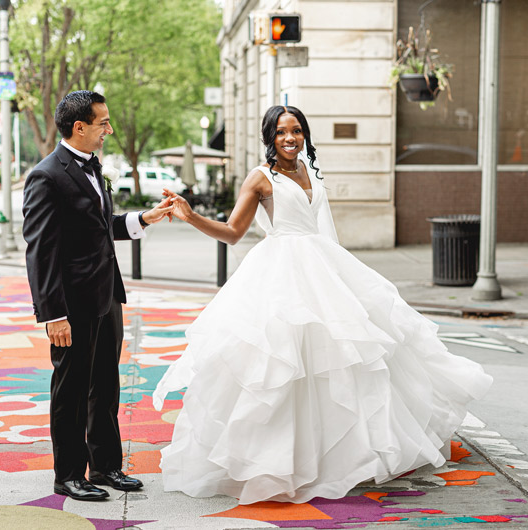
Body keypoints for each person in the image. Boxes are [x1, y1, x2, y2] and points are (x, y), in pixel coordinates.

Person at [152, 105, 493, 505]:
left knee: (348, 362)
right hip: (281, 275)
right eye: (281, 132)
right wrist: (191, 216)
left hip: (324, 268)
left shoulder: (311, 171)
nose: (290, 138)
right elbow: (232, 233)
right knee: (283, 366)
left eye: (297, 130)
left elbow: (323, 226)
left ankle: (347, 455)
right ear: (269, 138)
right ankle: (280, 462)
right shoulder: (261, 178)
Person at [23, 90, 174, 502]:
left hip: (106, 298)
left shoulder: (94, 168)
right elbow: (41, 250)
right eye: (104, 123)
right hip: (70, 306)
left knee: (105, 387)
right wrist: (53, 314)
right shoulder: (47, 175)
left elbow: (100, 224)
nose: (109, 130)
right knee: (71, 391)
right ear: (80, 127)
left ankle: (105, 466)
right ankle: (68, 474)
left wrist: (144, 218)